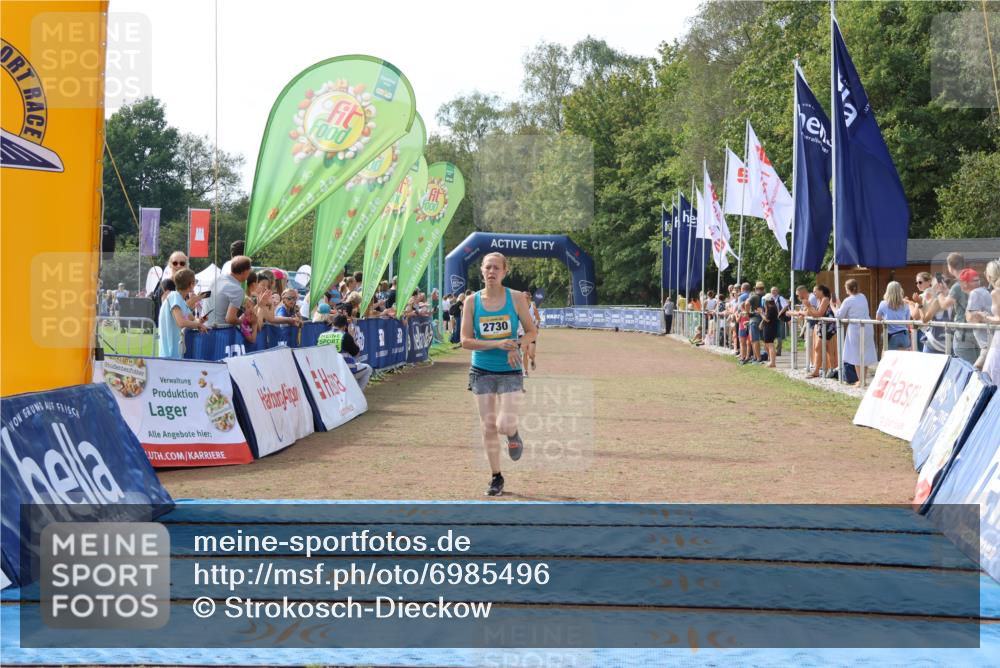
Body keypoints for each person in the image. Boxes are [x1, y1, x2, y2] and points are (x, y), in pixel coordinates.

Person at [461, 252, 537, 497]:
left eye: (496, 268)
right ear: (481, 271)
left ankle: (513, 434)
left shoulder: (515, 298)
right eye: (487, 267)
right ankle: (496, 476)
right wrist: (496, 344)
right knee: (488, 426)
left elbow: (531, 332)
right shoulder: (471, 302)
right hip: (481, 369)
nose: (491, 272)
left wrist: (517, 344)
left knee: (504, 425)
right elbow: (465, 341)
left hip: (510, 369)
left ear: (505, 271)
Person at [158, 269, 207, 358]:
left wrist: (200, 321)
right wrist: (198, 324)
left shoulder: (181, 300)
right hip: (169, 354)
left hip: (176, 352)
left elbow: (192, 319)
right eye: (194, 282)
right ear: (191, 284)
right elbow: (181, 322)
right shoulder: (174, 296)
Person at [318, 314, 373, 390]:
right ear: (345, 326)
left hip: (326, 371)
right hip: (344, 370)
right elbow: (357, 354)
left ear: (333, 324)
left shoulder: (322, 335)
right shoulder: (345, 335)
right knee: (368, 369)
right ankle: (358, 395)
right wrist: (352, 336)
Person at [969, 260, 1000, 383]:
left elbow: (999, 319)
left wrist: (984, 317)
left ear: (989, 276)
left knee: (992, 373)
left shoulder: (996, 292)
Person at [208, 256, 253, 328]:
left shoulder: (216, 279)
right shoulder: (237, 290)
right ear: (244, 272)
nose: (250, 273)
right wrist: (244, 322)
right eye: (249, 270)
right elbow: (230, 319)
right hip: (220, 333)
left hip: (204, 330)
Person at [876, 281, 912, 351]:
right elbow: (907, 323)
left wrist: (885, 318)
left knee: (888, 358)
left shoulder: (883, 304)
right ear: (900, 290)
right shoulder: (905, 304)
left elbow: (878, 318)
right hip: (903, 335)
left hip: (890, 336)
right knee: (903, 360)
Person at [760, 294, 779, 367]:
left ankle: (773, 362)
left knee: (770, 345)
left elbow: (767, 319)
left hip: (770, 328)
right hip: (769, 327)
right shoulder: (770, 308)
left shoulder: (772, 308)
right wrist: (762, 322)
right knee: (767, 344)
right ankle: (771, 360)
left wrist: (761, 313)